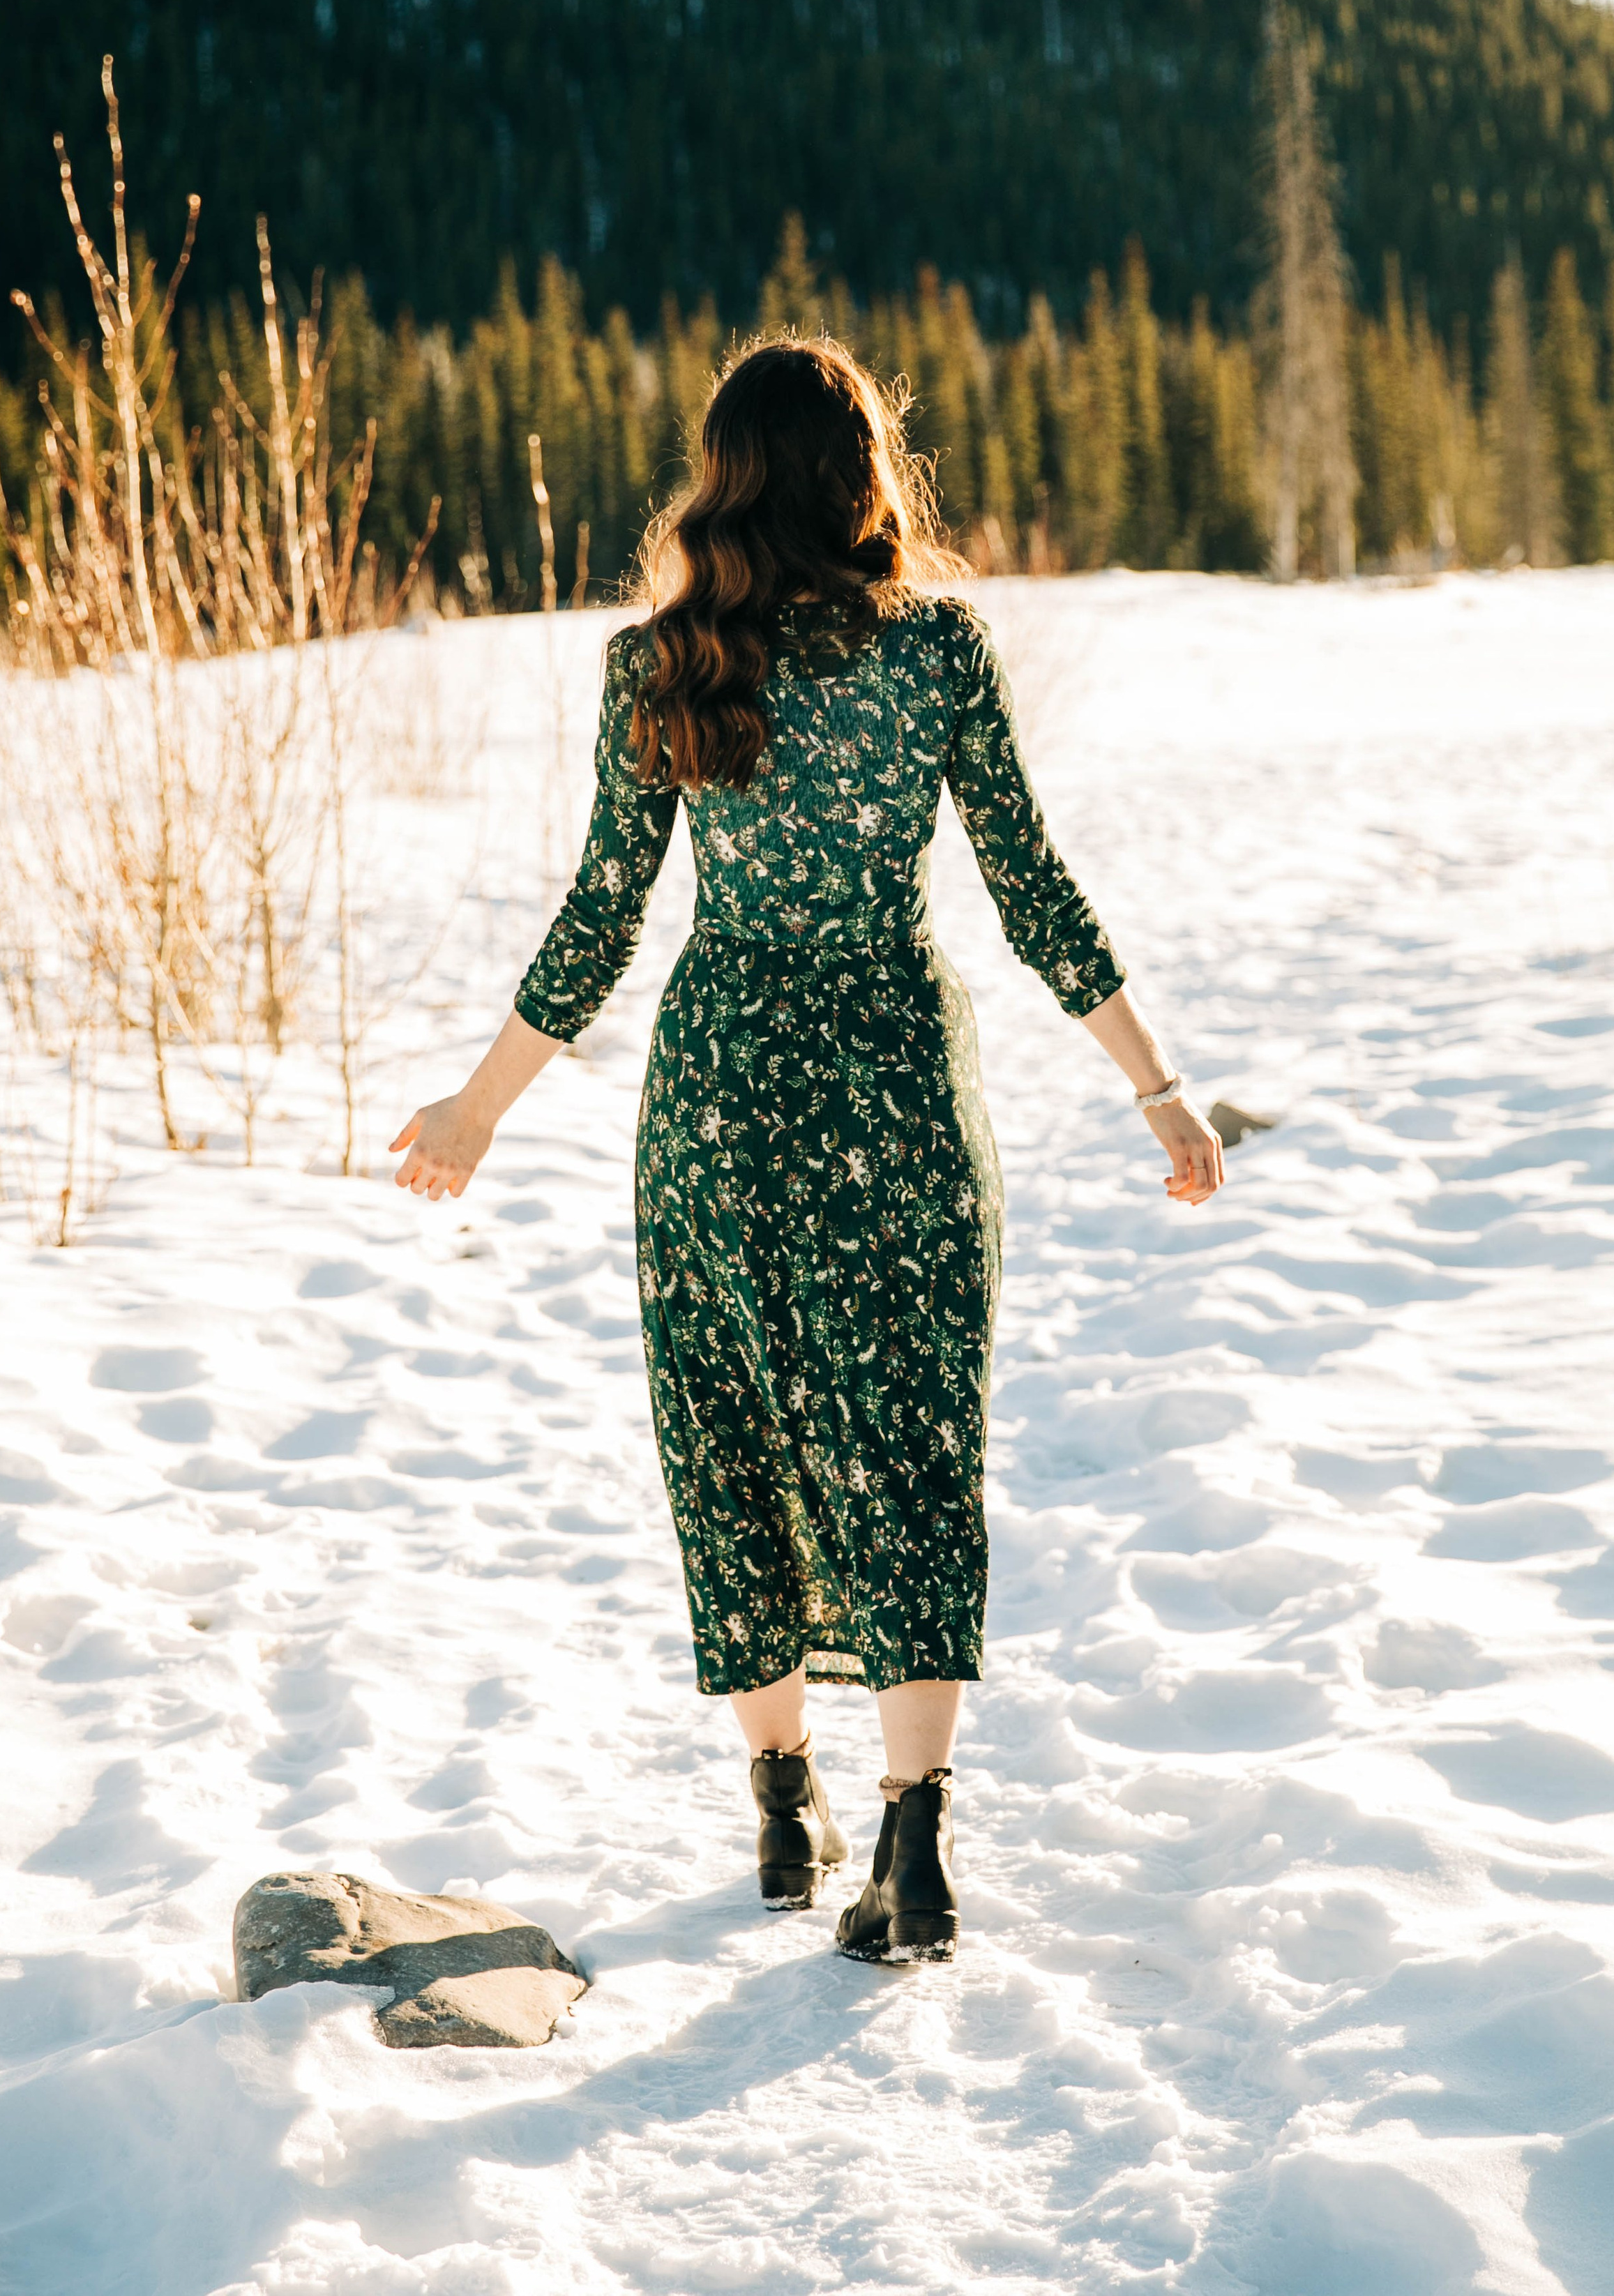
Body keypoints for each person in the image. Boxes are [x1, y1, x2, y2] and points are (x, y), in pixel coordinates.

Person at [390, 338, 1223, 1966]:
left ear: (722, 476)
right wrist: (1156, 1087)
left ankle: (781, 1802)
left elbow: (602, 912)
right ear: (863, 474)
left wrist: (480, 1105)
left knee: (732, 1438)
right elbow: (1029, 885)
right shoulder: (936, 651)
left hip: (721, 1102)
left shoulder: (663, 664)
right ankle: (913, 1840)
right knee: (909, 1442)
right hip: (897, 1090)